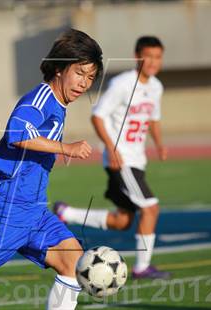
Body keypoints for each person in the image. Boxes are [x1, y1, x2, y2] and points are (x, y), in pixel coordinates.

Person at [0, 29, 103, 309]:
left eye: (91, 78)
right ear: (59, 67)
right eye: (80, 73)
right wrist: (66, 148)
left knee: (73, 260)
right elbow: (17, 133)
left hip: (33, 211)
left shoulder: (58, 105)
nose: (84, 83)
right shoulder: (41, 98)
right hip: (6, 212)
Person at [54, 36, 170, 279]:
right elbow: (98, 116)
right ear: (138, 55)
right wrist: (112, 147)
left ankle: (67, 214)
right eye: (148, 56)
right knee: (151, 208)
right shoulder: (123, 84)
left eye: (158, 57)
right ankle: (141, 267)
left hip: (137, 160)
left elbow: (154, 119)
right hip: (122, 160)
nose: (153, 62)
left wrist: (159, 144)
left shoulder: (156, 87)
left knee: (123, 220)